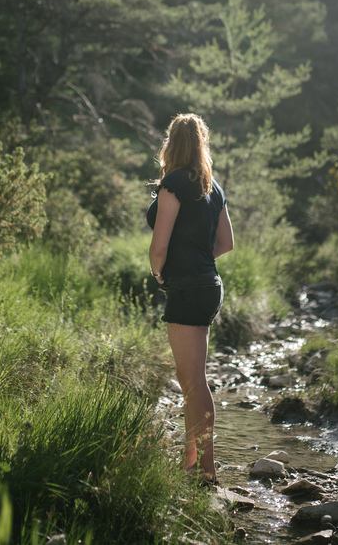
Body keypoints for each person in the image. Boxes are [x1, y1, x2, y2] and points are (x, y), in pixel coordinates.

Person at [145, 113, 234, 487]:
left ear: (171, 143)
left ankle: (207, 470)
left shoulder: (174, 184)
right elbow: (226, 243)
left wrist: (160, 272)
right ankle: (192, 461)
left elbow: (159, 245)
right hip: (210, 286)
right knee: (194, 380)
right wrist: (199, 263)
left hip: (187, 288)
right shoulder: (212, 187)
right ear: (201, 143)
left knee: (193, 382)